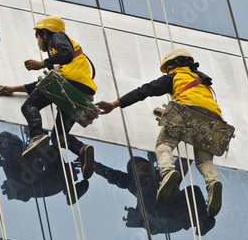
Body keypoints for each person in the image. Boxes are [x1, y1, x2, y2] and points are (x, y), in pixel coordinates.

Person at [96, 48, 224, 217]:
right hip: (215, 120)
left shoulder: (174, 76)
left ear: (174, 65)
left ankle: (167, 172)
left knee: (164, 145)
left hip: (187, 112)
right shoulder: (202, 81)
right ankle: (213, 183)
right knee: (204, 160)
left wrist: (115, 104)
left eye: (169, 68)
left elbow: (144, 90)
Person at [0, 16, 96, 178]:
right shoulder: (59, 60)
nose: (38, 42)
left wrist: (41, 64)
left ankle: (37, 135)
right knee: (58, 137)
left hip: (69, 85)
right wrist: (13, 89)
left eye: (37, 37)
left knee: (28, 107)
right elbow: (40, 86)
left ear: (45, 33)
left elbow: (66, 54)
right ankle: (82, 150)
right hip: (81, 92)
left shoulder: (58, 37)